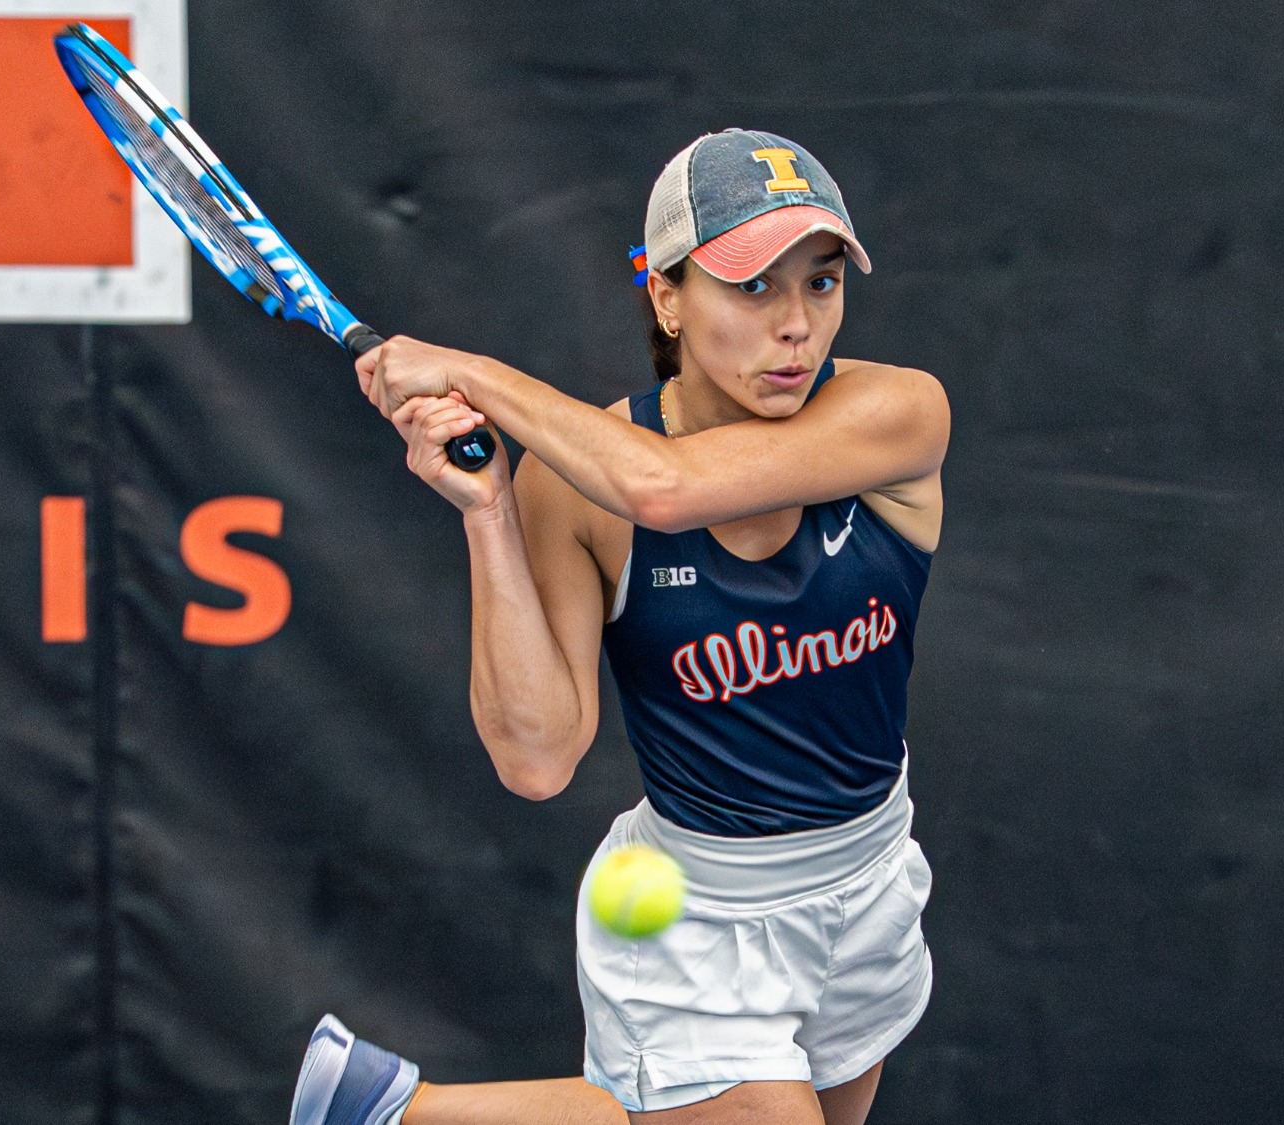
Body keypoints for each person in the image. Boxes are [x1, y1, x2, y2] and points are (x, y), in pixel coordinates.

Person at [290, 128, 950, 1125]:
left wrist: (469, 372)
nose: (794, 328)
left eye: (818, 284)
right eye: (752, 287)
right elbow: (539, 756)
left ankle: (391, 1113)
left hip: (869, 887)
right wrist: (489, 515)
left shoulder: (896, 415)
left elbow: (662, 487)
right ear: (667, 297)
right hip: (693, 924)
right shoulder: (573, 487)